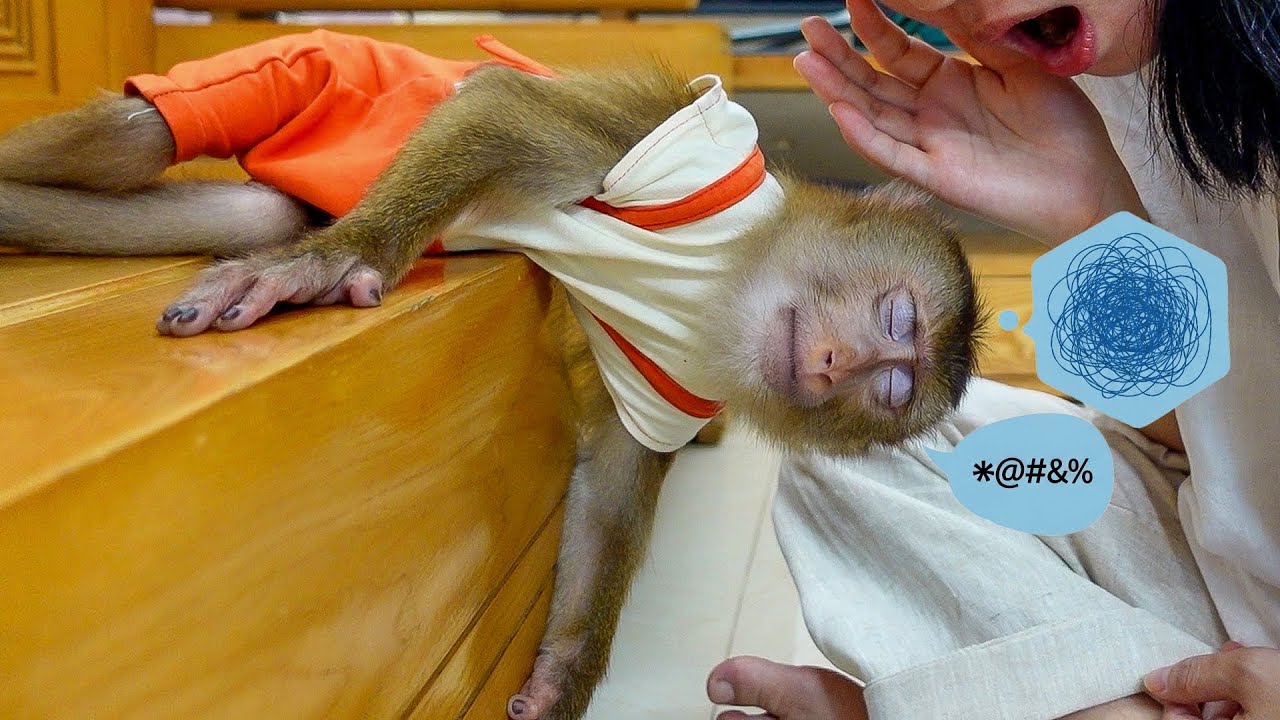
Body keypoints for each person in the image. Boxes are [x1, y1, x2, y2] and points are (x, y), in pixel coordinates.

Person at [706, 0, 1280, 718]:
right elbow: (1218, 444)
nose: (966, 21)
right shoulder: (1118, 58)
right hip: (1232, 591)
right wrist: (1093, 207)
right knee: (861, 446)